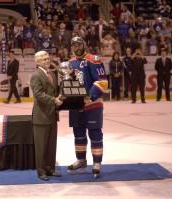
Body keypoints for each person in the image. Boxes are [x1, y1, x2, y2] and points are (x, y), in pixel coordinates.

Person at [68, 37, 108, 178]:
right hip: (75, 104)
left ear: (84, 45)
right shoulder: (70, 62)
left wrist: (89, 97)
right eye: (74, 45)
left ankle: (97, 162)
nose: (77, 47)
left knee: (95, 133)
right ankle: (81, 160)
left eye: (79, 44)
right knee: (78, 134)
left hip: (92, 104)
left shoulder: (94, 59)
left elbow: (102, 82)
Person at [30, 50, 63, 181]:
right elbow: (38, 95)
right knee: (41, 147)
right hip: (41, 116)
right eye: (44, 59)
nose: (47, 61)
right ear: (37, 62)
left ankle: (50, 168)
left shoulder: (52, 74)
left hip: (52, 116)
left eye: (48, 58)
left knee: (51, 145)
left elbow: (55, 92)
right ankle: (41, 171)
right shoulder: (36, 76)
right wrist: (54, 100)